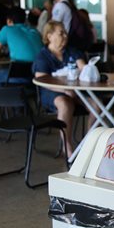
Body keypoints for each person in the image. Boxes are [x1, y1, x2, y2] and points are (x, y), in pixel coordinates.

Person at [32, 21, 86, 157]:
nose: (65, 36)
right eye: (61, 33)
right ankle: (67, 146)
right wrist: (65, 90)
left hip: (77, 91)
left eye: (65, 33)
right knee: (64, 103)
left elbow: (84, 69)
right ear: (49, 36)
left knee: (96, 105)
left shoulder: (72, 51)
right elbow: (42, 80)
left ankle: (88, 144)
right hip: (51, 92)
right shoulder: (43, 56)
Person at [0, 6, 42, 86]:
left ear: (9, 20)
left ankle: (8, 96)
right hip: (37, 75)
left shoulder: (7, 29)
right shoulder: (34, 31)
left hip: (18, 75)